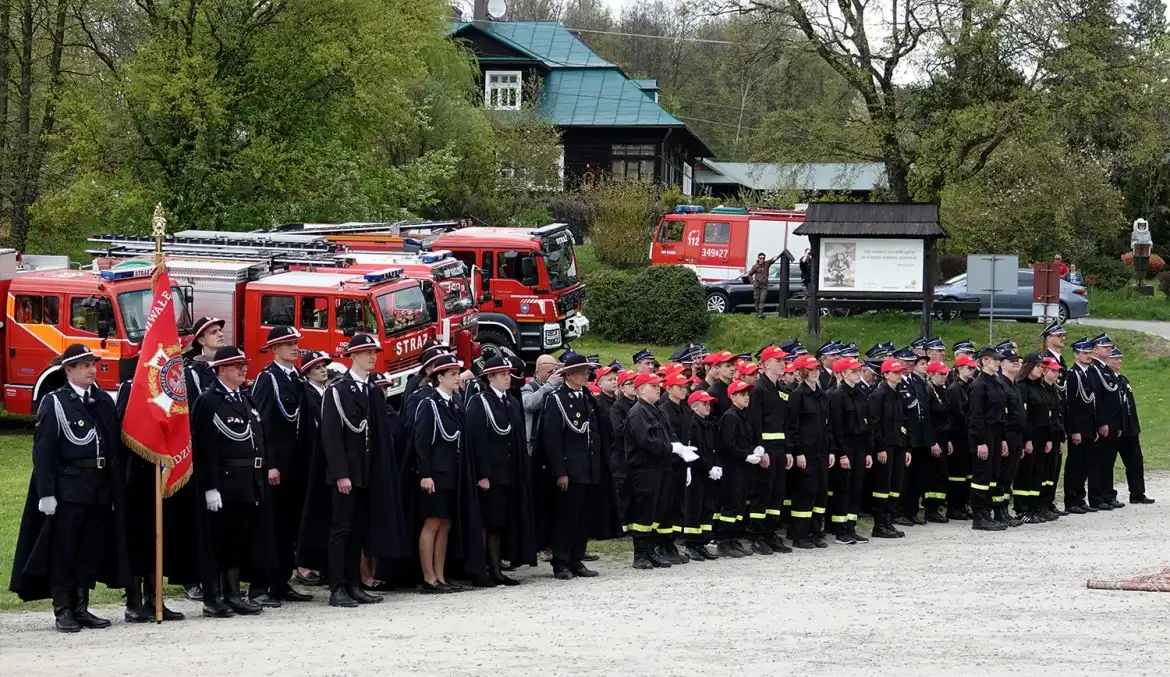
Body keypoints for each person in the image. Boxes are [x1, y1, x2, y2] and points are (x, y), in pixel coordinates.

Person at [10, 344, 129, 632]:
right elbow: (44, 452)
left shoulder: (101, 400)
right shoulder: (55, 402)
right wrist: (47, 493)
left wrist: (114, 490)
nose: (92, 369)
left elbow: (112, 447)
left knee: (89, 550)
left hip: (98, 487)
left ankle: (81, 606)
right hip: (69, 489)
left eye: (93, 364)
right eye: (85, 365)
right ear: (69, 370)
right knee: (65, 550)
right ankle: (63, 608)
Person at [315, 333, 410, 607]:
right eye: (367, 352)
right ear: (353, 355)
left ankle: (354, 582)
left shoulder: (370, 390)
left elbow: (377, 435)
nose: (372, 357)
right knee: (341, 529)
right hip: (346, 473)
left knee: (358, 529)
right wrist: (341, 473)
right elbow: (332, 436)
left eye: (373, 352)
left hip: (367, 471)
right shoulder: (339, 390)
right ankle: (337, 587)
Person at [191, 346, 269, 616]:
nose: (243, 369)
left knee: (237, 540)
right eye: (237, 365)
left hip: (247, 482)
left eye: (244, 364)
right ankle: (213, 598)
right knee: (218, 541)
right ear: (222, 369)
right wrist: (210, 486)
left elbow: (256, 439)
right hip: (224, 483)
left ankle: (233, 594)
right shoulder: (209, 401)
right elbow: (204, 448)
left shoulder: (245, 399)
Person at [248, 325, 313, 607]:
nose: (295, 348)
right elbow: (262, 424)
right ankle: (260, 585)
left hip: (296, 464)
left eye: (295, 343)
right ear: (274, 349)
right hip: (276, 466)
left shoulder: (296, 378)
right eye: (288, 344)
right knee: (270, 526)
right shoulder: (267, 379)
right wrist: (270, 464)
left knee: (289, 526)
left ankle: (281, 581)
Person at [464, 355, 537, 585]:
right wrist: (482, 474)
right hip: (491, 474)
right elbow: (477, 440)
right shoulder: (480, 401)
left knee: (500, 523)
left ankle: (496, 568)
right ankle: (482, 569)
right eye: (503, 374)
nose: (508, 378)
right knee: (487, 522)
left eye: (508, 374)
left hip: (508, 472)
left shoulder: (509, 402)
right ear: (490, 376)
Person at [538, 353, 609, 579]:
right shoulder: (556, 398)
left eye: (586, 372)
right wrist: (560, 471)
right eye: (579, 372)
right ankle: (561, 561)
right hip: (570, 467)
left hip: (588, 466)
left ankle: (576, 558)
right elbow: (552, 439)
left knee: (583, 516)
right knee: (566, 516)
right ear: (568, 374)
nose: (584, 376)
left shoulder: (586, 397)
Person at [410, 353, 472, 592]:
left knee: (445, 523)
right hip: (435, 473)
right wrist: (425, 473)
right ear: (439, 377)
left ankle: (441, 575)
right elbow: (422, 441)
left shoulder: (454, 402)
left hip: (452, 472)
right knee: (432, 522)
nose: (457, 378)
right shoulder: (430, 403)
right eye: (452, 374)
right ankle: (428, 577)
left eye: (458, 374)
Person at [180, 316, 224, 602]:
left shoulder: (224, 367)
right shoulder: (193, 372)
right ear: (199, 340)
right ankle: (192, 578)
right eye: (212, 332)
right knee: (195, 519)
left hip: (224, 454)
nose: (219, 335)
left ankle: (219, 576)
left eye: (220, 331)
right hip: (198, 451)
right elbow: (197, 411)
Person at [626, 372, 685, 569]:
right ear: (641, 389)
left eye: (657, 384)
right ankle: (640, 554)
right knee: (645, 512)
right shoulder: (638, 413)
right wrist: (671, 448)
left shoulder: (656, 410)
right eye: (653, 385)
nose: (657, 387)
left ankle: (650, 550)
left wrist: (680, 448)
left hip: (661, 468)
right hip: (645, 470)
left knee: (657, 511)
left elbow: (669, 434)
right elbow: (648, 441)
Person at [747, 345, 793, 555]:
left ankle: (769, 532)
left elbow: (784, 424)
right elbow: (754, 423)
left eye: (783, 360)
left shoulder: (778, 389)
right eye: (778, 360)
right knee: (762, 494)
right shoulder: (758, 389)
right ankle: (756, 535)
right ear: (765, 365)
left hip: (779, 450)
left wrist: (788, 451)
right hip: (766, 450)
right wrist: (760, 450)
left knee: (777, 493)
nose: (783, 363)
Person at [785, 354, 831, 549]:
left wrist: (829, 450)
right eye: (811, 370)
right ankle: (799, 533)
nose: (815, 373)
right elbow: (792, 426)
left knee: (820, 491)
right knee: (805, 491)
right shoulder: (797, 395)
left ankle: (814, 530)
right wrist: (798, 451)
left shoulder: (821, 395)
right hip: (806, 451)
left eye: (817, 369)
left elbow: (826, 425)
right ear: (803, 372)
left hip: (821, 451)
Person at [715, 379, 763, 557]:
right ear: (733, 397)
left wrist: (755, 450)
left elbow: (745, 440)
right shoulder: (730, 416)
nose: (746, 397)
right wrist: (746, 455)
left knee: (741, 504)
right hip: (733, 468)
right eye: (742, 394)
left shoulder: (743, 415)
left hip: (743, 468)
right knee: (731, 505)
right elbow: (727, 444)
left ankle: (733, 539)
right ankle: (724, 541)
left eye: (747, 394)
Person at [827, 356, 870, 544]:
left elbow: (867, 422)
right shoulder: (837, 395)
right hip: (845, 446)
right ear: (843, 374)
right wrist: (841, 453)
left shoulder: (860, 393)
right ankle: (840, 529)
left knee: (856, 487)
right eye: (853, 371)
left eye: (859, 371)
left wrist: (868, 451)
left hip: (860, 446)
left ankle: (851, 526)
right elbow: (835, 427)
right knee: (843, 489)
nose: (857, 374)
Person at [1016, 355, 1063, 524]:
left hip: (1043, 437)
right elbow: (1024, 416)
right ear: (1029, 367)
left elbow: (1048, 414)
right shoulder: (1021, 387)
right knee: (1026, 473)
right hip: (1031, 437)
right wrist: (1027, 439)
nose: (1041, 369)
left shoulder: (1039, 388)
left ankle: (1035, 506)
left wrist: (1050, 438)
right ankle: (1022, 509)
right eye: (1038, 366)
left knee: (1038, 473)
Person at [967, 347, 1009, 532]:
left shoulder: (995, 382)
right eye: (995, 360)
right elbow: (975, 416)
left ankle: (988, 512)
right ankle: (979, 515)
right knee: (981, 477)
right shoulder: (979, 385)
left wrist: (1003, 440)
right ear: (984, 361)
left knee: (993, 475)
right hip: (984, 435)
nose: (998, 363)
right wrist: (980, 441)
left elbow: (1001, 413)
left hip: (996, 434)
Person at [656, 370, 695, 564]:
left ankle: (671, 542)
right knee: (668, 506)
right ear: (669, 389)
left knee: (678, 505)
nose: (684, 390)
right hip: (670, 464)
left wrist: (687, 464)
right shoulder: (664, 411)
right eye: (679, 387)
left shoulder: (685, 410)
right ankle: (662, 544)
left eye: (685, 386)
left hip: (682, 463)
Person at [868, 359, 907, 539]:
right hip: (885, 447)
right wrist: (880, 448)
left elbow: (903, 423)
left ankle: (889, 520)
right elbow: (874, 424)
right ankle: (879, 524)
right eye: (896, 372)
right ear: (885, 375)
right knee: (882, 486)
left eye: (900, 372)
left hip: (898, 445)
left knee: (895, 486)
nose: (899, 375)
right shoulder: (878, 395)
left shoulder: (898, 394)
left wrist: (906, 447)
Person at [1110, 347, 1154, 505]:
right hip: (1116, 428)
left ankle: (1137, 493)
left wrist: (1136, 427)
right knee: (1109, 462)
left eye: (1119, 358)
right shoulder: (1107, 379)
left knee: (1135, 460)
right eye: (1115, 358)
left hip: (1129, 428)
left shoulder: (1123, 379)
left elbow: (1131, 405)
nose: (1119, 361)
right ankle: (1108, 494)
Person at [1087, 333, 1125, 511]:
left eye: (1110, 347)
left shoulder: (1106, 369)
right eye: (1105, 347)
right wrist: (1102, 422)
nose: (1109, 349)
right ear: (1094, 350)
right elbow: (1098, 399)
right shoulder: (1094, 369)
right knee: (1098, 461)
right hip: (1104, 423)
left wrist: (1117, 424)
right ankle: (1097, 497)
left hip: (1113, 422)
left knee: (1108, 461)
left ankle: (1108, 494)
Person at [682, 390, 721, 561]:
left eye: (709, 403)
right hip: (697, 473)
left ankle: (703, 542)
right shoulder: (692, 424)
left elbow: (713, 448)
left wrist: (716, 466)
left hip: (708, 472)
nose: (708, 406)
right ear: (694, 406)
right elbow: (695, 452)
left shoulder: (708, 424)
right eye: (704, 403)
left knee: (707, 507)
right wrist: (707, 468)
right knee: (694, 508)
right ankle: (692, 544)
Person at [1064, 338, 1098, 514]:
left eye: (1089, 353)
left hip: (1090, 426)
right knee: (1075, 464)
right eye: (1084, 353)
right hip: (1078, 426)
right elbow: (1071, 404)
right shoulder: (1072, 374)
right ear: (1076, 355)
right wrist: (1074, 430)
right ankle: (1071, 500)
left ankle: (1080, 496)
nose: (1088, 356)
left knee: (1086, 463)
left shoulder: (1090, 373)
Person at [944, 354, 977, 520]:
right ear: (959, 369)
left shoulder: (970, 386)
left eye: (972, 368)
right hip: (958, 435)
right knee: (957, 473)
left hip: (967, 436)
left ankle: (963, 503)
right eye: (968, 368)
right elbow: (959, 414)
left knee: (967, 473)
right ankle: (954, 506)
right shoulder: (955, 389)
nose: (972, 371)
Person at [921, 360, 951, 523]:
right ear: (931, 374)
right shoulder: (928, 391)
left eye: (945, 373)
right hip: (934, 439)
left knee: (941, 473)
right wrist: (932, 442)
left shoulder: (942, 390)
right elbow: (927, 419)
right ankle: (931, 508)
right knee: (937, 473)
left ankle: (937, 505)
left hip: (944, 437)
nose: (944, 377)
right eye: (940, 374)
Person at [609, 369, 637, 524]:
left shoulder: (639, 403)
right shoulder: (618, 407)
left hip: (635, 455)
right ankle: (621, 524)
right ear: (622, 387)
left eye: (635, 382)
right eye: (629, 383)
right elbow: (619, 431)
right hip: (621, 455)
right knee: (623, 492)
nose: (633, 386)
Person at [523, 354, 563, 453]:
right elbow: (530, 404)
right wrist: (551, 384)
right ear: (537, 373)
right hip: (534, 444)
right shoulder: (528, 387)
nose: (553, 375)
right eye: (550, 372)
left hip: (553, 443)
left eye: (556, 371)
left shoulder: (559, 387)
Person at [748, 252, 781, 318]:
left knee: (762, 299)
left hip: (764, 286)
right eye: (761, 258)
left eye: (763, 258)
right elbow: (750, 274)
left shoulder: (766, 264)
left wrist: (778, 255)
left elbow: (773, 259)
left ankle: (760, 313)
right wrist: (752, 281)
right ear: (758, 258)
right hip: (757, 285)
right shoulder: (755, 266)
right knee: (756, 299)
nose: (762, 259)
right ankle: (757, 313)